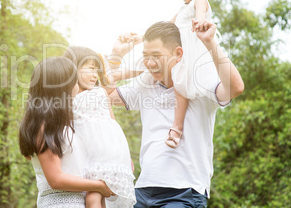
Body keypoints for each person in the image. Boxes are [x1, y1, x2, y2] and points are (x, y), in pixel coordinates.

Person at [102, 20, 244, 207]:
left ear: (178, 53)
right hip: (143, 190)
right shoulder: (145, 84)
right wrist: (116, 56)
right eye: (145, 56)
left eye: (156, 56)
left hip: (184, 192)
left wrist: (210, 42)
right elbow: (107, 95)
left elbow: (235, 88)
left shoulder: (198, 82)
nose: (150, 63)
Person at [19, 57, 114, 208]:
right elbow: (55, 179)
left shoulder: (65, 123)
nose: (78, 86)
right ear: (62, 87)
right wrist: (99, 186)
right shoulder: (43, 126)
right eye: (75, 82)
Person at [63, 46, 136, 208]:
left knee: (94, 194)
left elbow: (113, 121)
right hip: (92, 152)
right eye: (90, 69)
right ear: (73, 69)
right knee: (97, 194)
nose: (95, 75)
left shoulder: (100, 92)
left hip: (105, 151)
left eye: (97, 70)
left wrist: (126, 155)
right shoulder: (68, 98)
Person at [165, 0, 220, 148]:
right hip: (181, 52)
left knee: (181, 86)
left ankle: (176, 128)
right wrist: (142, 37)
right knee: (178, 85)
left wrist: (200, 21)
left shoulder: (199, 0)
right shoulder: (182, 9)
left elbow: (201, 12)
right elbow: (166, 27)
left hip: (192, 53)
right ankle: (176, 126)